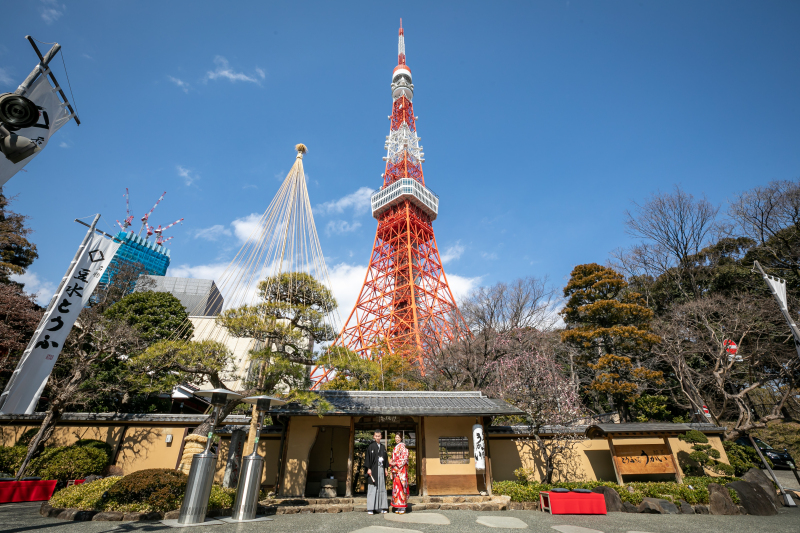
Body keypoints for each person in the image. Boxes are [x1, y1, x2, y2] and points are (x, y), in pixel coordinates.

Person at [364, 429, 388, 515]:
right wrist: (368, 468)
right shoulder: (371, 447)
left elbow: (386, 459)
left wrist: (385, 469)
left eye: (379, 436)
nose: (377, 437)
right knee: (372, 488)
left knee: (381, 488)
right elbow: (368, 458)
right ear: (374, 436)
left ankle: (381, 507)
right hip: (373, 469)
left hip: (381, 469)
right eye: (376, 436)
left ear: (381, 437)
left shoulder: (382, 447)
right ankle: (371, 508)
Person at [390, 433, 409, 513]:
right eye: (396, 437)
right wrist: (391, 462)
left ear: (401, 439)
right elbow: (393, 458)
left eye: (398, 437)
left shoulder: (403, 447)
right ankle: (398, 506)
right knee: (396, 488)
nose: (397, 439)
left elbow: (404, 458)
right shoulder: (396, 447)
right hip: (396, 470)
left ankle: (403, 507)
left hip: (401, 470)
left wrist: (396, 463)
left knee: (401, 487)